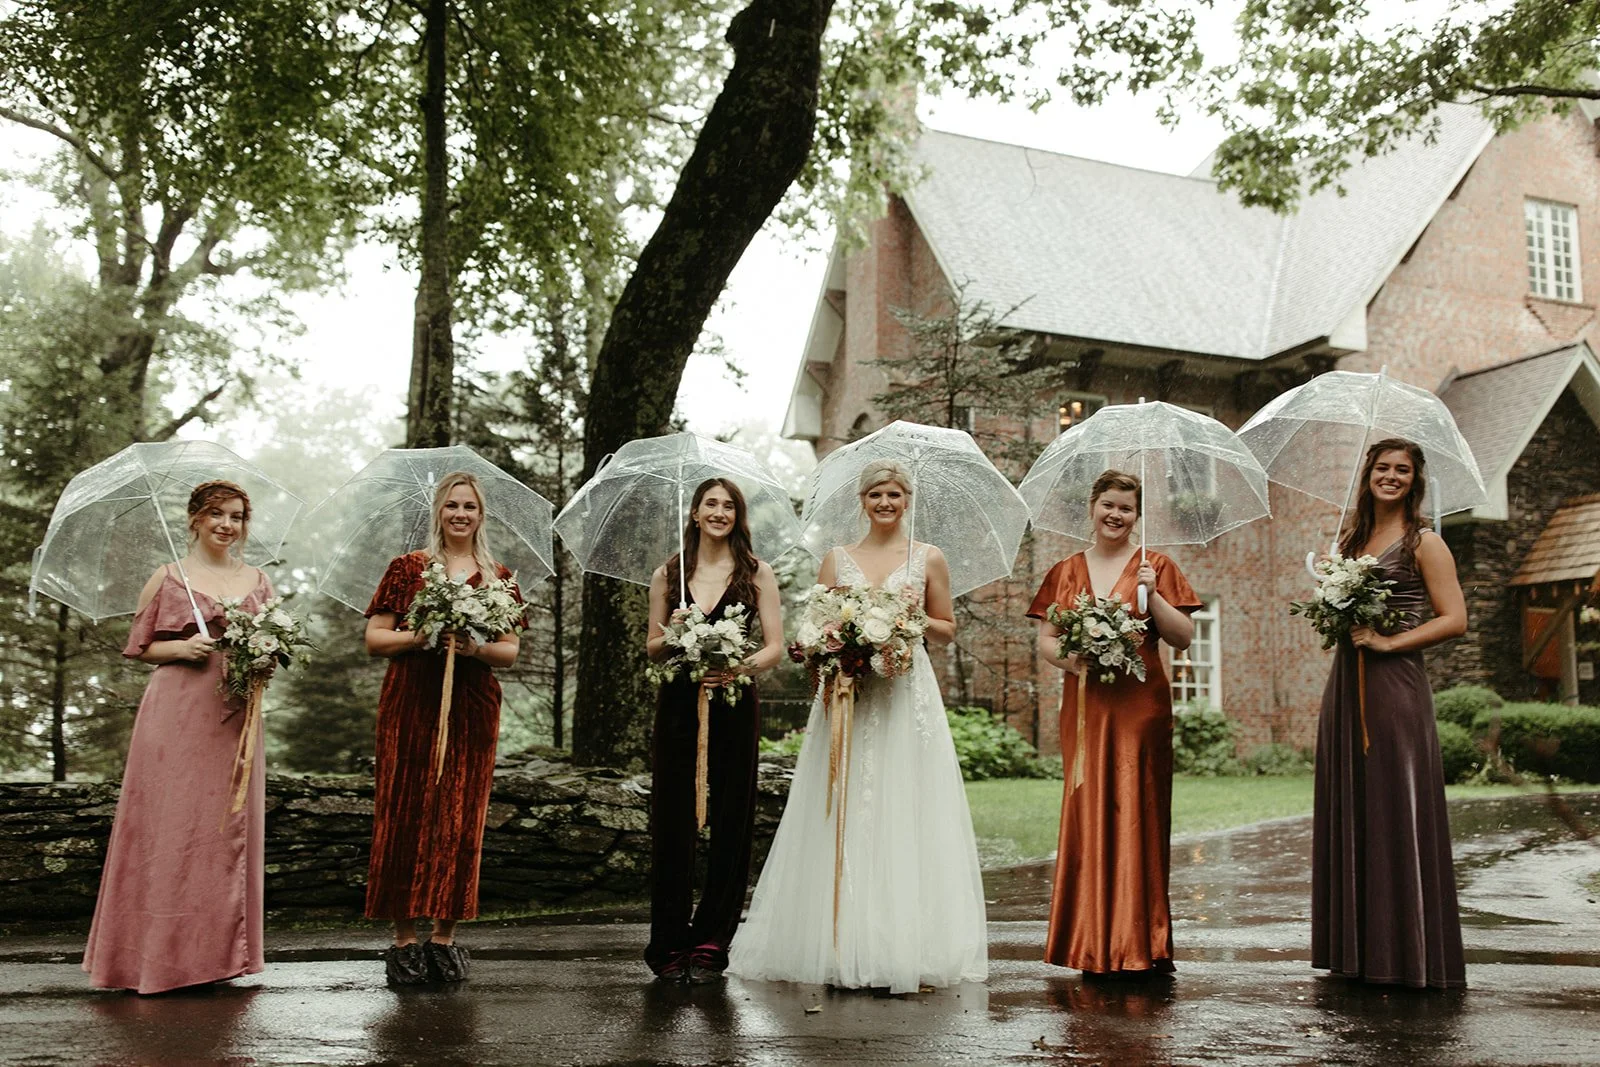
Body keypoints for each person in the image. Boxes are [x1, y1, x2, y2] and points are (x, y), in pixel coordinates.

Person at [728, 460, 988, 993]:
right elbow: (815, 628)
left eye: (894, 494)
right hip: (847, 696)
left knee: (902, 805)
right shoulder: (837, 559)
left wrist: (901, 624)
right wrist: (840, 642)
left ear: (906, 499)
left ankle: (902, 944)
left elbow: (945, 630)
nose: (886, 503)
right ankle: (839, 940)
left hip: (902, 696)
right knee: (841, 804)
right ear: (863, 501)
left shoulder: (928, 558)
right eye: (876, 494)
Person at [84, 480, 273, 994]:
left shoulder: (258, 580)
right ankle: (158, 960)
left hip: (236, 714)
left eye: (235, 516)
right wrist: (181, 649)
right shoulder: (168, 577)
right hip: (177, 713)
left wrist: (265, 656)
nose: (226, 525)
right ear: (194, 519)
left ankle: (215, 957)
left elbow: (274, 645)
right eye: (216, 514)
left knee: (222, 830)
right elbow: (139, 647)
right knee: (173, 827)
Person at [1027, 469, 1201, 977]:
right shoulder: (1065, 570)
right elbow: (1046, 640)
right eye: (1108, 504)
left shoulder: (1157, 565)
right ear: (1092, 506)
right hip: (1085, 703)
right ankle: (1089, 939)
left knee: (1139, 809)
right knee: (1087, 808)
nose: (1115, 514)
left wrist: (1156, 594)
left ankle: (1143, 940)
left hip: (1140, 705)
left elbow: (1184, 637)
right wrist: (1073, 662)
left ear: (1137, 514)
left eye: (1126, 507)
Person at [1312, 438, 1468, 989]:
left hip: (1395, 685)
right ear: (1368, 474)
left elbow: (1455, 619)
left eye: (1403, 470)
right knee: (1354, 800)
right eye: (1383, 468)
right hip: (1347, 686)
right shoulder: (1349, 539)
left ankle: (1405, 952)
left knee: (1393, 803)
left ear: (1415, 480)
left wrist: (1388, 642)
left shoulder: (1424, 542)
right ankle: (1358, 948)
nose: (1391, 476)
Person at [363, 471, 523, 986]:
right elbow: (375, 639)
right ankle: (404, 940)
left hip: (471, 708)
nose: (460, 514)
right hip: (411, 701)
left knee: (460, 816)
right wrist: (422, 636)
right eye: (452, 505)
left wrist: (473, 648)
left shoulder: (498, 576)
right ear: (439, 512)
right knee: (402, 812)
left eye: (470, 507)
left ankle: (445, 939)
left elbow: (511, 651)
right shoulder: (408, 569)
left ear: (481, 515)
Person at [644, 478, 785, 984]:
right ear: (696, 513)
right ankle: (668, 942)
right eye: (711, 504)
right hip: (680, 702)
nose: (720, 512)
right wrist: (679, 632)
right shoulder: (668, 573)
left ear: (737, 516)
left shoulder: (757, 572)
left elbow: (775, 646)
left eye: (729, 506)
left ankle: (710, 942)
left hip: (733, 702)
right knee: (672, 817)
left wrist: (738, 666)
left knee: (732, 817)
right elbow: (651, 647)